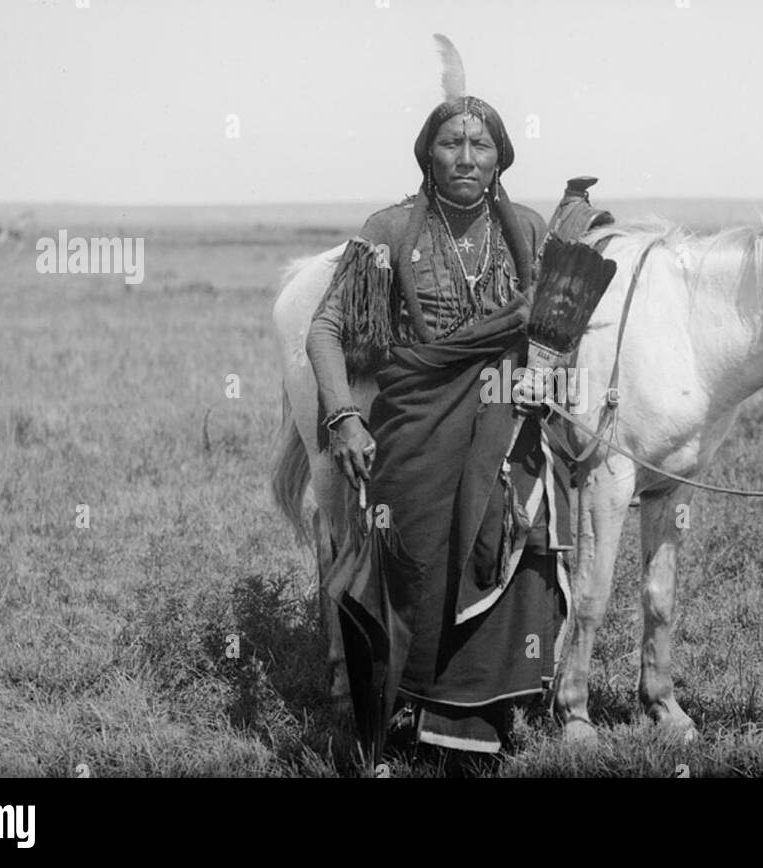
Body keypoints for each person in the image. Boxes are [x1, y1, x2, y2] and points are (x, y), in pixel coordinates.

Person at [305, 93, 571, 757]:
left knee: (513, 542)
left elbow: (556, 334)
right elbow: (326, 328)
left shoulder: (530, 232)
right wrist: (343, 418)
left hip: (503, 421)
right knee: (415, 556)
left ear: (500, 157)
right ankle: (405, 706)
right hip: (414, 423)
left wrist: (547, 367)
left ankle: (474, 716)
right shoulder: (391, 229)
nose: (466, 157)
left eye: (480, 145)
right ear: (429, 152)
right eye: (451, 143)